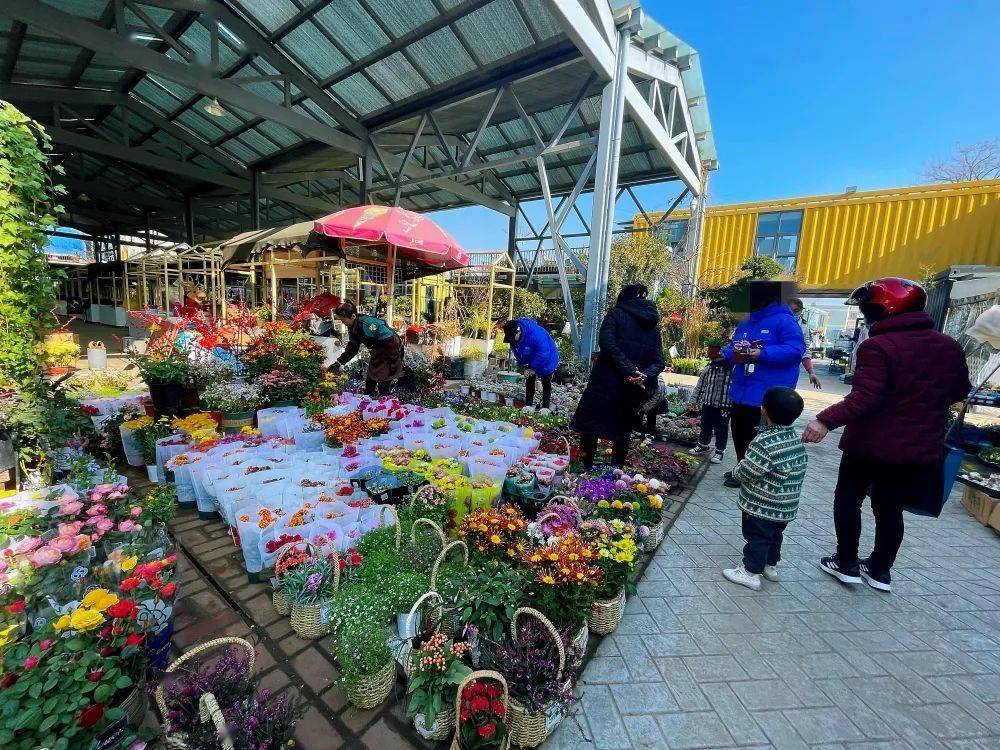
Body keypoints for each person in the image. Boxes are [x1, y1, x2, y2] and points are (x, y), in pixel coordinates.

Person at [803, 277, 971, 592]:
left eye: (870, 308)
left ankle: (846, 562)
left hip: (871, 444)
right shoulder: (949, 346)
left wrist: (824, 420)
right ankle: (880, 570)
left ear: (885, 309)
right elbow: (960, 391)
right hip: (917, 447)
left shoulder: (878, 346)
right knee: (889, 506)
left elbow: (864, 398)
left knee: (849, 499)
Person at [571, 284, 665, 470]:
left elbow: (607, 343)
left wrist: (630, 369)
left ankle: (585, 469)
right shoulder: (653, 328)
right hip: (631, 388)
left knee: (591, 426)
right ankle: (615, 474)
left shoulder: (615, 314)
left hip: (605, 382)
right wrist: (642, 376)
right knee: (623, 430)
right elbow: (659, 361)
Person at [721, 281, 806, 487]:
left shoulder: (784, 321)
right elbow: (735, 346)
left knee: (758, 437)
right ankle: (744, 469)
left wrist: (763, 354)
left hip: (766, 393)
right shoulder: (746, 321)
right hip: (742, 389)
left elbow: (795, 350)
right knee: (739, 431)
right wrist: (725, 355)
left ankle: (755, 475)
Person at [723, 386, 807, 591]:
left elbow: (749, 470)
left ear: (764, 410)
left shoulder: (764, 442)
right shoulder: (794, 439)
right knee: (775, 535)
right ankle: (770, 566)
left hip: (763, 505)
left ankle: (750, 572)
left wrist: (735, 474)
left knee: (757, 537)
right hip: (784, 507)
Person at [331, 300, 405, 397]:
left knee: (384, 383)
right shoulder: (353, 326)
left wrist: (394, 361)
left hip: (391, 351)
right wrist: (339, 362)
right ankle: (368, 402)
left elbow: (391, 341)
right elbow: (353, 347)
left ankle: (387, 406)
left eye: (344, 320)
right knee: (370, 380)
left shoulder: (368, 324)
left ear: (353, 316)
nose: (343, 323)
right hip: (377, 352)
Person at [502, 318, 560, 409]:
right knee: (529, 378)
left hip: (547, 357)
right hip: (530, 355)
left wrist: (533, 368)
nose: (511, 340)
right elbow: (517, 351)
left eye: (512, 337)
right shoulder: (514, 335)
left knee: (545, 380)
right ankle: (528, 404)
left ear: (518, 332)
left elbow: (543, 354)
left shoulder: (537, 335)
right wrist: (525, 365)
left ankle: (545, 407)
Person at [688, 350, 733, 464]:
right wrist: (694, 403)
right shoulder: (708, 369)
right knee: (705, 424)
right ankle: (703, 445)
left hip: (725, 405)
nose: (715, 359)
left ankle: (719, 451)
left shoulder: (732, 370)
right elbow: (699, 387)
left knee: (721, 428)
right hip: (708, 403)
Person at [788, 297, 822, 389]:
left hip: (791, 370)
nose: (792, 314)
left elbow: (805, 351)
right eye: (789, 311)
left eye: (796, 311)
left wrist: (811, 372)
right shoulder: (776, 323)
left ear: (801, 311)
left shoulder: (804, 328)